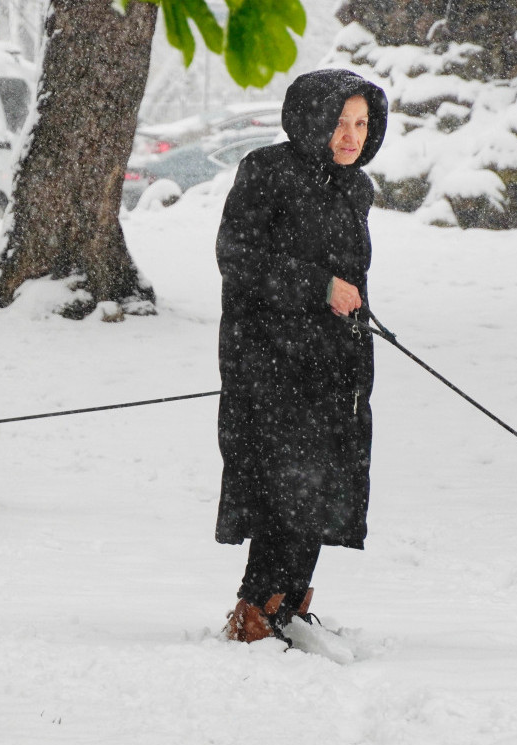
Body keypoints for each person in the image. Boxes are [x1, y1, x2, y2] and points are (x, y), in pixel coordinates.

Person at [215, 69, 388, 643]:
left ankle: (290, 602)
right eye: (340, 122)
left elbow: (350, 279)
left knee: (321, 488)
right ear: (312, 119)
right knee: (282, 490)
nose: (351, 135)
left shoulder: (356, 188)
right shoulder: (268, 172)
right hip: (270, 364)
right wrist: (317, 287)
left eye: (361, 123)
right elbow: (237, 256)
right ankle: (255, 610)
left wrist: (357, 319)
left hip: (332, 369)